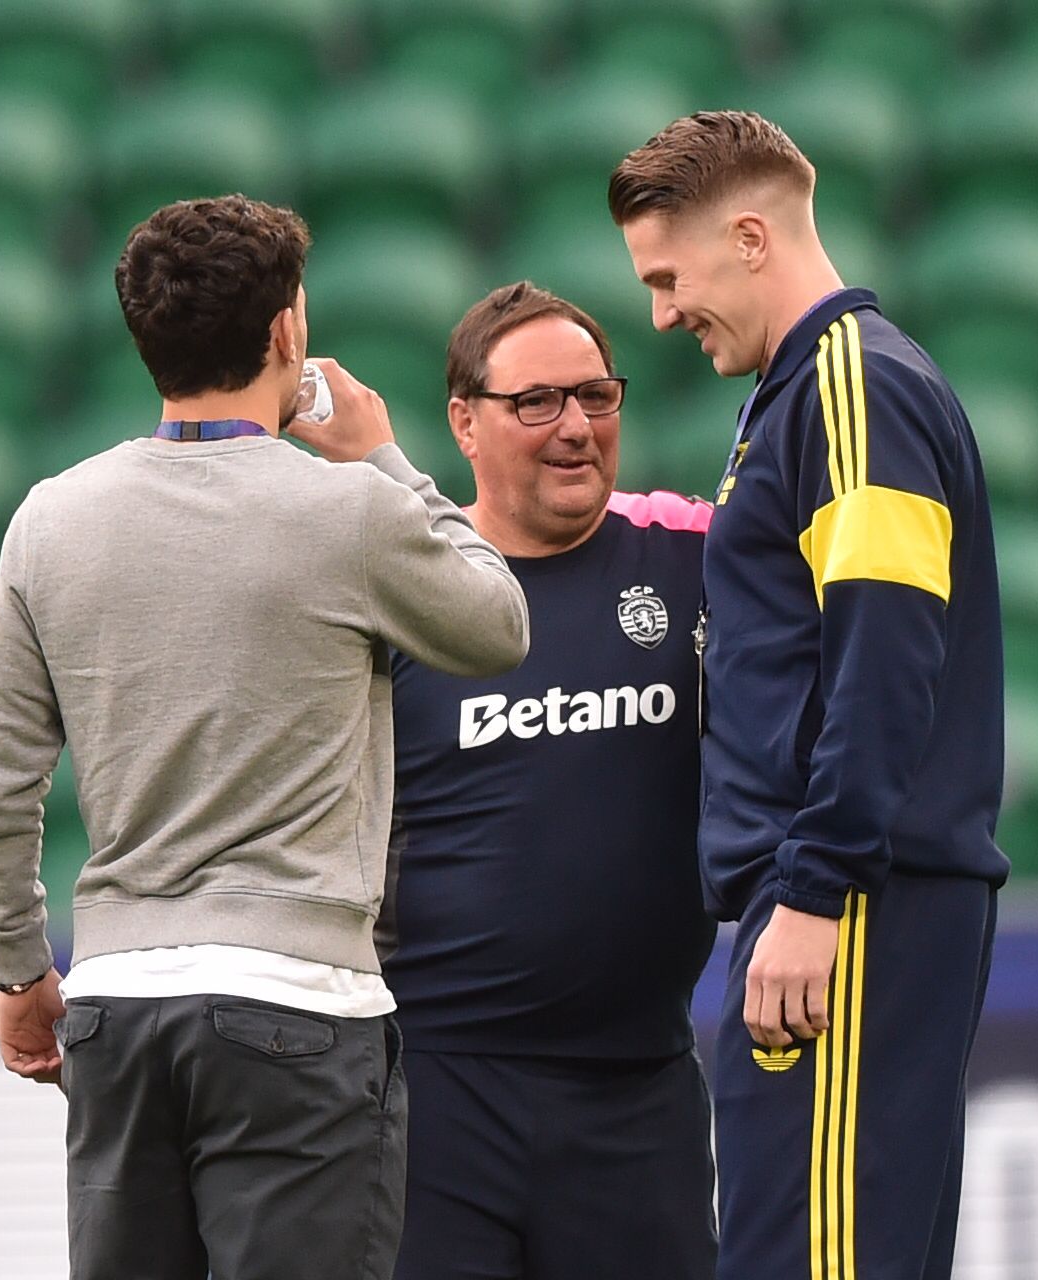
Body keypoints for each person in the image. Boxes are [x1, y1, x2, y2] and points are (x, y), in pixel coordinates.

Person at [0, 194, 530, 1280]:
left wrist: (19, 964)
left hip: (117, 1006)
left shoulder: (51, 517)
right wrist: (387, 459)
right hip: (299, 1005)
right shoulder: (347, 509)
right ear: (285, 334)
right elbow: (497, 621)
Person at [609, 113, 1007, 1280]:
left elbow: (885, 654)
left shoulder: (851, 385)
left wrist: (815, 888)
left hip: (849, 905)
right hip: (851, 898)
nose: (662, 314)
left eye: (669, 277)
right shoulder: (815, 390)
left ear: (747, 235)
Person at [380, 281, 718, 1280]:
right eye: (537, 402)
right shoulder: (400, 588)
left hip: (639, 1088)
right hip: (436, 1094)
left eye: (596, 396)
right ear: (465, 422)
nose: (574, 427)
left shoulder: (695, 551)